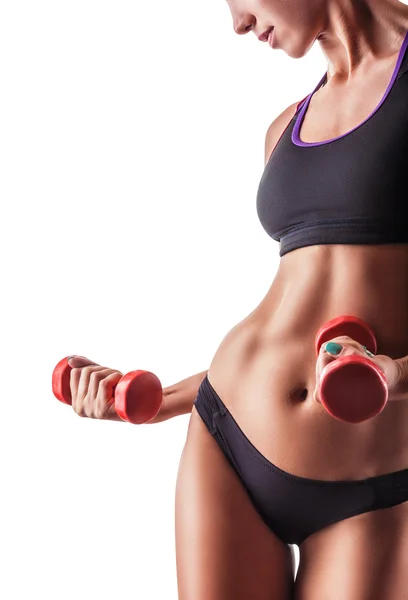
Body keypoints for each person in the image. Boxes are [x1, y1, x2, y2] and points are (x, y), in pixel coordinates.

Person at [67, 1, 408, 598]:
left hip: (373, 476)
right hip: (227, 440)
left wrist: (397, 376)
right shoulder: (284, 130)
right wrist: (152, 399)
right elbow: (289, 322)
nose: (239, 24)